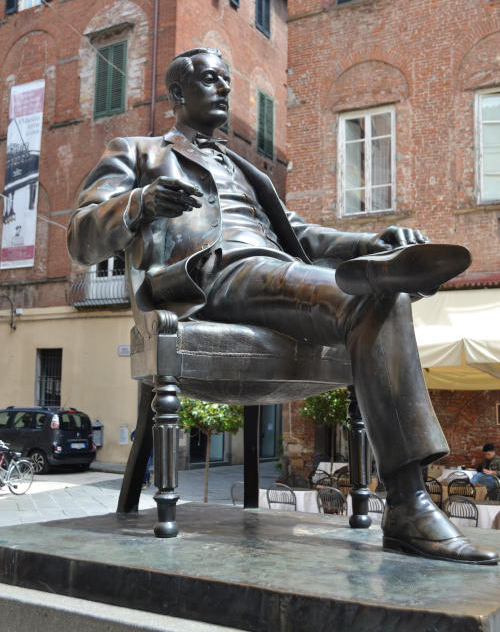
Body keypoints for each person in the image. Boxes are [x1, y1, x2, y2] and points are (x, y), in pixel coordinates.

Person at [67, 47, 498, 565]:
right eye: (210, 79)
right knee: (367, 296)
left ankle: (379, 271)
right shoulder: (138, 151)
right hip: (210, 279)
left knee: (382, 299)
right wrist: (140, 203)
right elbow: (80, 238)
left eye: (227, 80)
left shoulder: (247, 170)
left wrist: (368, 240)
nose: (225, 88)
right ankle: (408, 503)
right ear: (178, 93)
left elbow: (298, 233)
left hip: (271, 271)